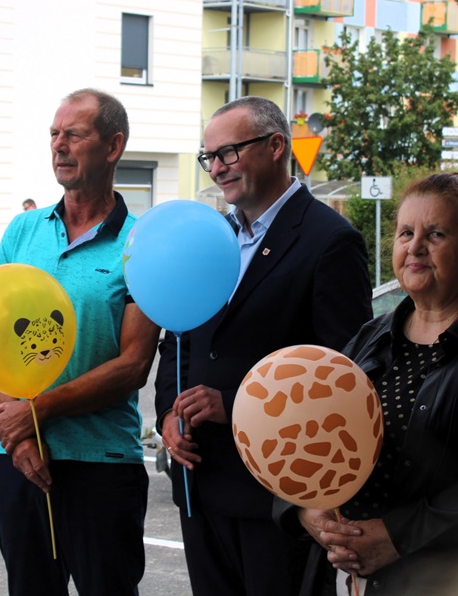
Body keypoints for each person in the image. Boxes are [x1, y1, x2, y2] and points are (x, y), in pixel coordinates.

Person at [275, 173, 458, 596]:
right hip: (371, 581)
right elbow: (309, 433)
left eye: (436, 234)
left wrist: (396, 537)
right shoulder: (372, 336)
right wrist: (304, 510)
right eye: (406, 232)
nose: (415, 247)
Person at [154, 96, 373, 596]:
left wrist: (233, 406)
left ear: (276, 146)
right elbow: (178, 340)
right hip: (200, 483)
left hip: (278, 499)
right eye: (208, 156)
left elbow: (343, 379)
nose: (216, 169)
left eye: (228, 153)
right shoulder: (211, 237)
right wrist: (168, 414)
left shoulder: (329, 241)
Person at [0, 88, 161, 596]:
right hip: (16, 456)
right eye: (54, 135)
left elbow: (133, 364)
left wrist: (35, 412)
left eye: (74, 135)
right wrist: (15, 429)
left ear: (113, 146)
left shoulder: (140, 242)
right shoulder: (23, 231)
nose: (59, 146)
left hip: (101, 463)